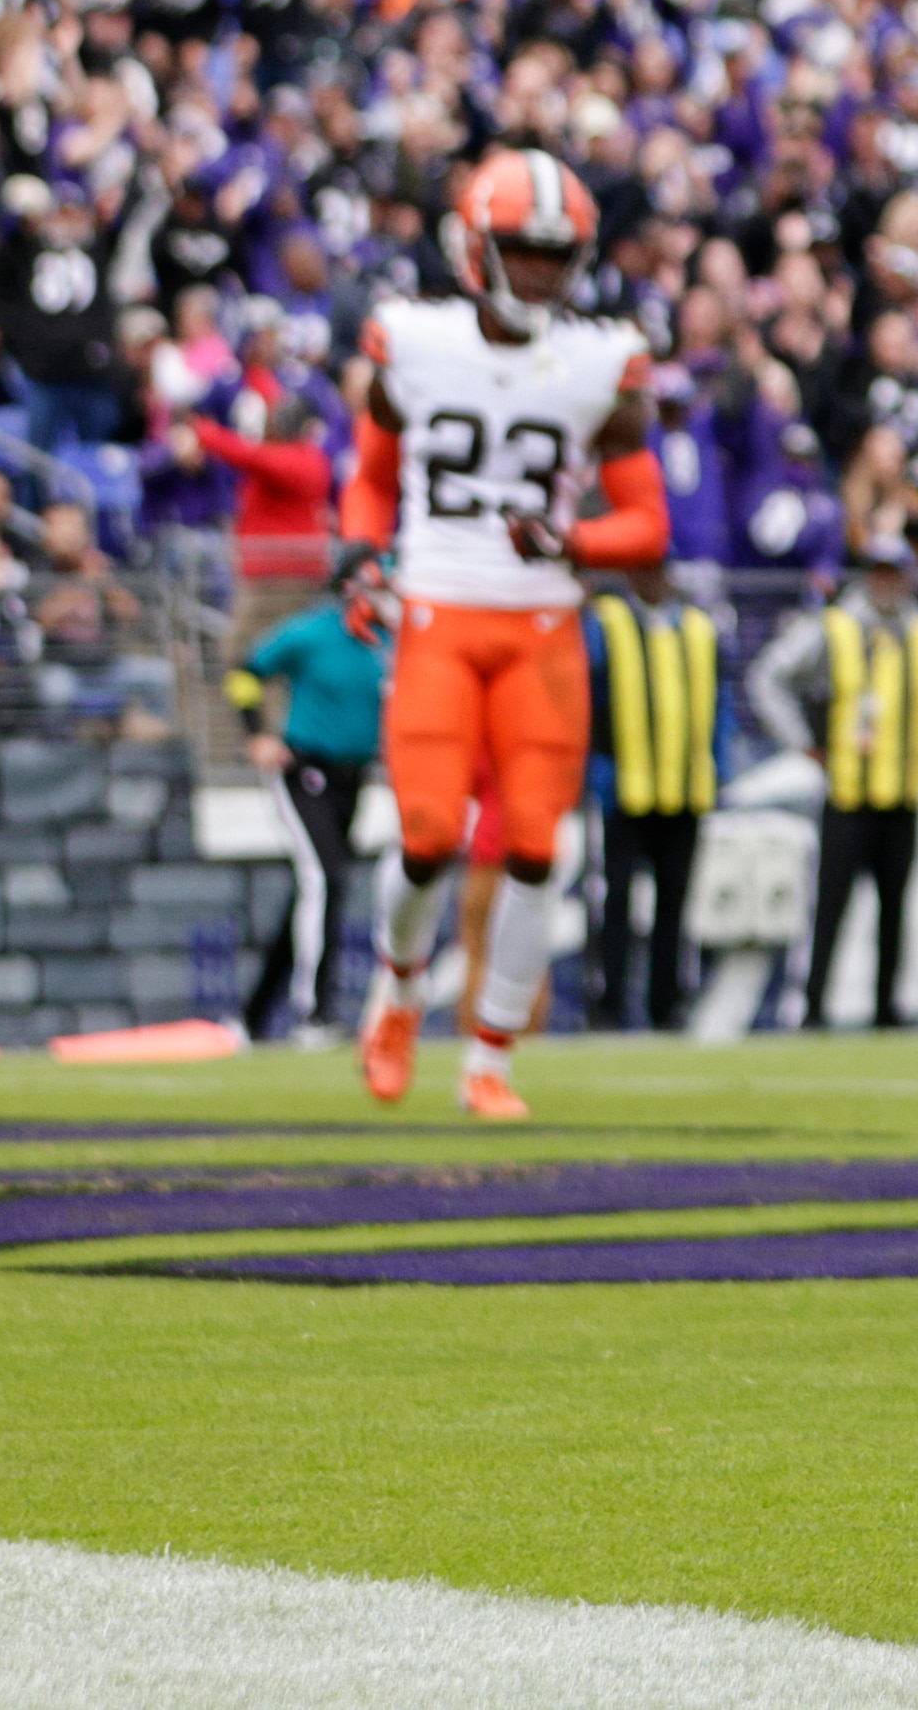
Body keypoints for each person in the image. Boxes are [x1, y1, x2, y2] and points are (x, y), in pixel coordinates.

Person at [342, 150, 666, 1121]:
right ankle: (397, 990)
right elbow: (369, 473)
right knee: (429, 831)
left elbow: (647, 523)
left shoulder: (602, 360)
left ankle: (488, 1055)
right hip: (439, 608)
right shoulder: (415, 339)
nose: (537, 272)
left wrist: (572, 537)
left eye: (553, 256)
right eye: (520, 251)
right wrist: (362, 556)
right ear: (475, 247)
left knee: (535, 844)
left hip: (542, 626)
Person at [749, 531, 918, 1030]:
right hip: (847, 791)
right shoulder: (835, 628)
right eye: (878, 571)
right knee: (830, 905)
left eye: (893, 572)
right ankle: (814, 1006)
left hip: (904, 790)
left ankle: (886, 1007)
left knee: (895, 909)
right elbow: (771, 677)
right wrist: (802, 742)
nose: (885, 582)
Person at [229, 580, 389, 1043]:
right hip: (305, 772)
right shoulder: (313, 632)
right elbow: (244, 672)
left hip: (352, 778)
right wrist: (256, 733)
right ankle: (314, 1014)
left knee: (314, 892)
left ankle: (253, 1016)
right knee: (325, 877)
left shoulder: (388, 640)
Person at [584, 570, 726, 1030]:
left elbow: (719, 702)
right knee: (617, 902)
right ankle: (609, 1003)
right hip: (625, 789)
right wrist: (596, 770)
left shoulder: (700, 627)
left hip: (685, 788)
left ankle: (666, 1005)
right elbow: (588, 694)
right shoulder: (608, 622)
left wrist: (718, 766)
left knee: (674, 905)